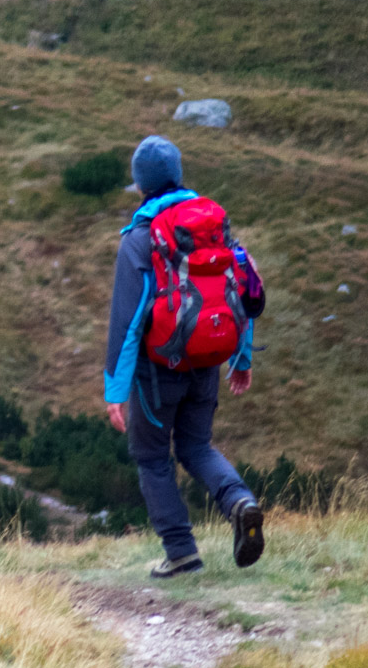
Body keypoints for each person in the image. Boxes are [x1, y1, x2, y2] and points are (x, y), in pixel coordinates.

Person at [102, 135, 266, 578]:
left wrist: (115, 390)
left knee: (153, 457)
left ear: (141, 186)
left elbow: (128, 318)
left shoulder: (140, 238)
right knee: (195, 445)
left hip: (158, 373)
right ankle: (240, 503)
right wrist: (243, 358)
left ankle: (181, 552)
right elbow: (241, 294)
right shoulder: (213, 227)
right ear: (178, 174)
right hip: (208, 360)